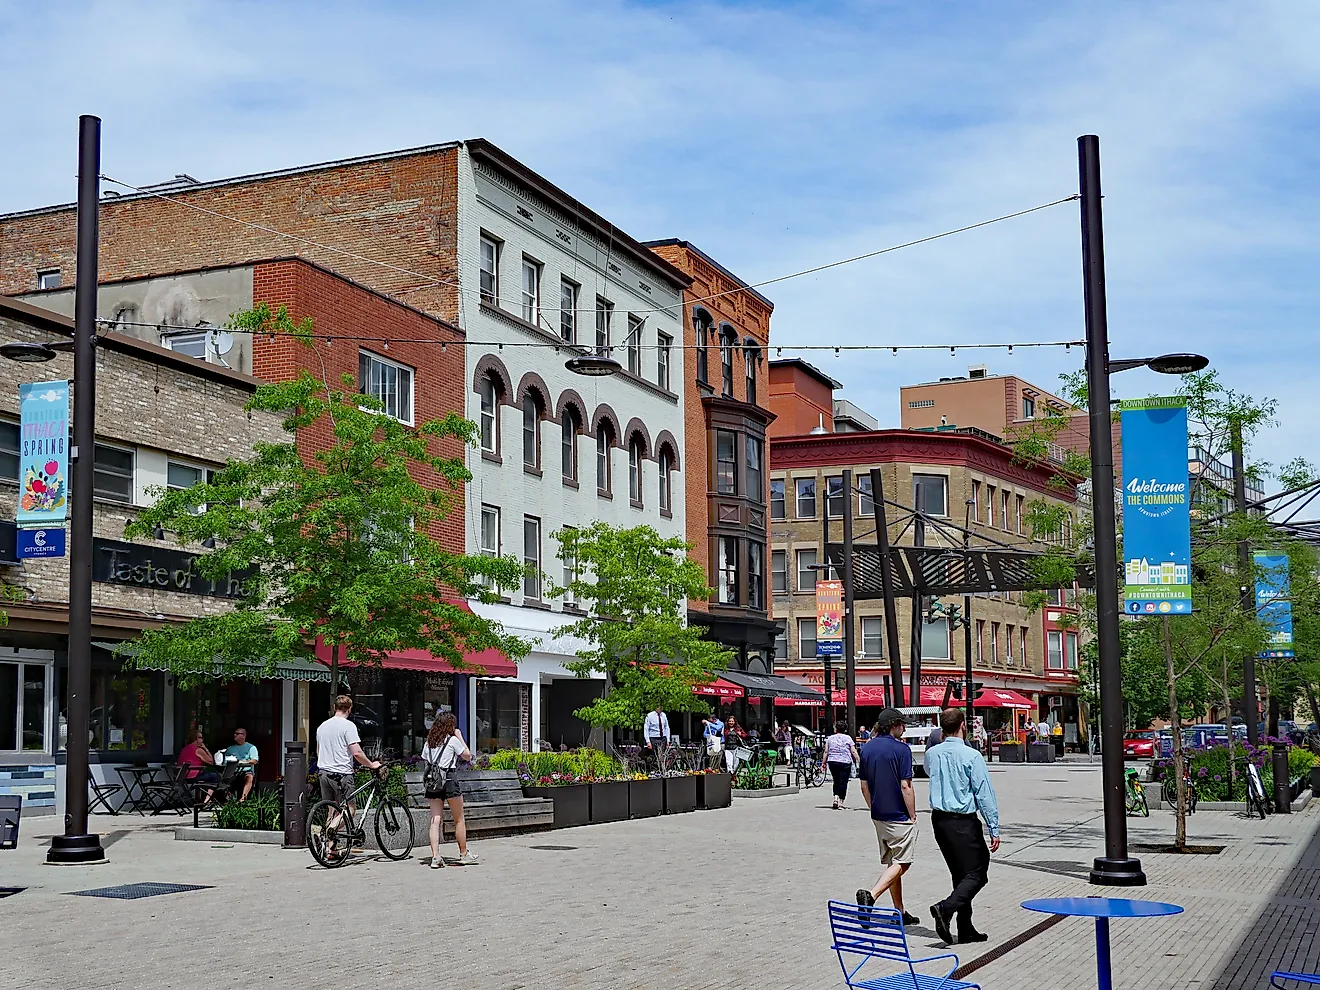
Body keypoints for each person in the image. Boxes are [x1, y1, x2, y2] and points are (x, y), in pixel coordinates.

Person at [926, 707, 1000, 945]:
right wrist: (993, 826)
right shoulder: (971, 755)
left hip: (939, 820)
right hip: (963, 821)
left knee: (960, 874)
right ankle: (945, 909)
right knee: (978, 873)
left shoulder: (932, 754)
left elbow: (929, 772)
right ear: (963, 726)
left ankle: (965, 928)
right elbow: (983, 793)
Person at [856, 708, 920, 926]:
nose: (905, 728)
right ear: (894, 725)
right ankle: (871, 896)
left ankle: (899, 911)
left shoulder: (867, 748)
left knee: (893, 862)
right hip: (898, 814)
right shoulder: (902, 750)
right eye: (903, 724)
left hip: (878, 814)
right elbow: (906, 785)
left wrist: (872, 806)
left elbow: (864, 785)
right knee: (903, 862)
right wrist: (912, 814)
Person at [315, 696, 382, 855]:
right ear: (350, 709)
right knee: (349, 809)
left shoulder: (322, 726)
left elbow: (319, 751)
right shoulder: (348, 726)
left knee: (332, 810)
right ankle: (325, 834)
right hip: (342, 773)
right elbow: (357, 752)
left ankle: (330, 850)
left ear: (334, 707)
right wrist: (372, 764)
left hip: (324, 772)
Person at [422, 711, 477, 868]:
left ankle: (435, 857)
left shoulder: (429, 742)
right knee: (459, 819)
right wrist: (459, 736)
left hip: (433, 782)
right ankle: (463, 853)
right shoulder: (452, 740)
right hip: (449, 779)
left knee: (435, 820)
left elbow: (425, 759)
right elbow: (467, 756)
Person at [177, 727, 220, 802]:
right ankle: (207, 800)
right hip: (192, 776)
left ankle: (198, 798)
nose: (202, 740)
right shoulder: (198, 750)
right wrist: (205, 748)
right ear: (196, 739)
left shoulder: (185, 749)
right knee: (216, 776)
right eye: (201, 738)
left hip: (182, 776)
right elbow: (211, 761)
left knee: (205, 775)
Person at [824, 722, 860, 810]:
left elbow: (826, 751)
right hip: (845, 762)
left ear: (836, 728)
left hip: (832, 761)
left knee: (836, 780)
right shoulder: (848, 738)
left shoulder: (830, 738)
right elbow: (853, 751)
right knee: (843, 782)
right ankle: (841, 802)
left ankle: (835, 797)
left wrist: (823, 763)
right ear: (845, 729)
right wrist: (859, 761)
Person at [222, 727, 259, 801]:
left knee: (249, 777)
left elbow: (254, 761)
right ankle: (229, 800)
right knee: (223, 778)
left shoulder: (251, 748)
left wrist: (242, 762)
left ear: (244, 736)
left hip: (246, 770)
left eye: (237, 733)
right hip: (233, 771)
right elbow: (225, 762)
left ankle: (243, 799)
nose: (235, 735)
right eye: (235, 733)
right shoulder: (230, 749)